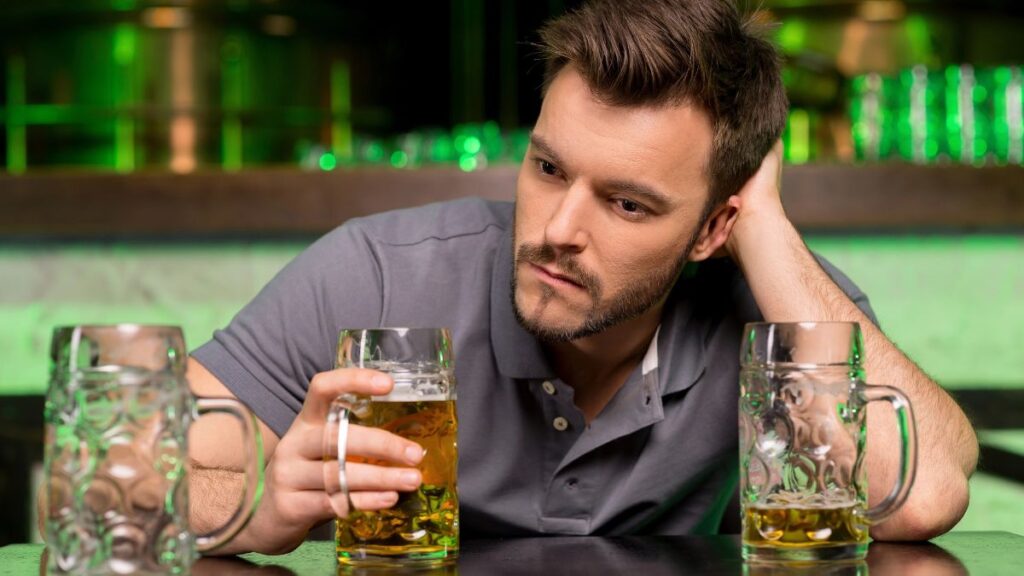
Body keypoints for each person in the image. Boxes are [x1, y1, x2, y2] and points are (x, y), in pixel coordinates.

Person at [187, 0, 977, 555]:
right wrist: (256, 503)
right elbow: (134, 475)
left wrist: (764, 226)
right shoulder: (379, 276)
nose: (558, 232)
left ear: (712, 228)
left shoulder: (776, 303)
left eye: (628, 204)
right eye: (548, 168)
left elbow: (928, 495)